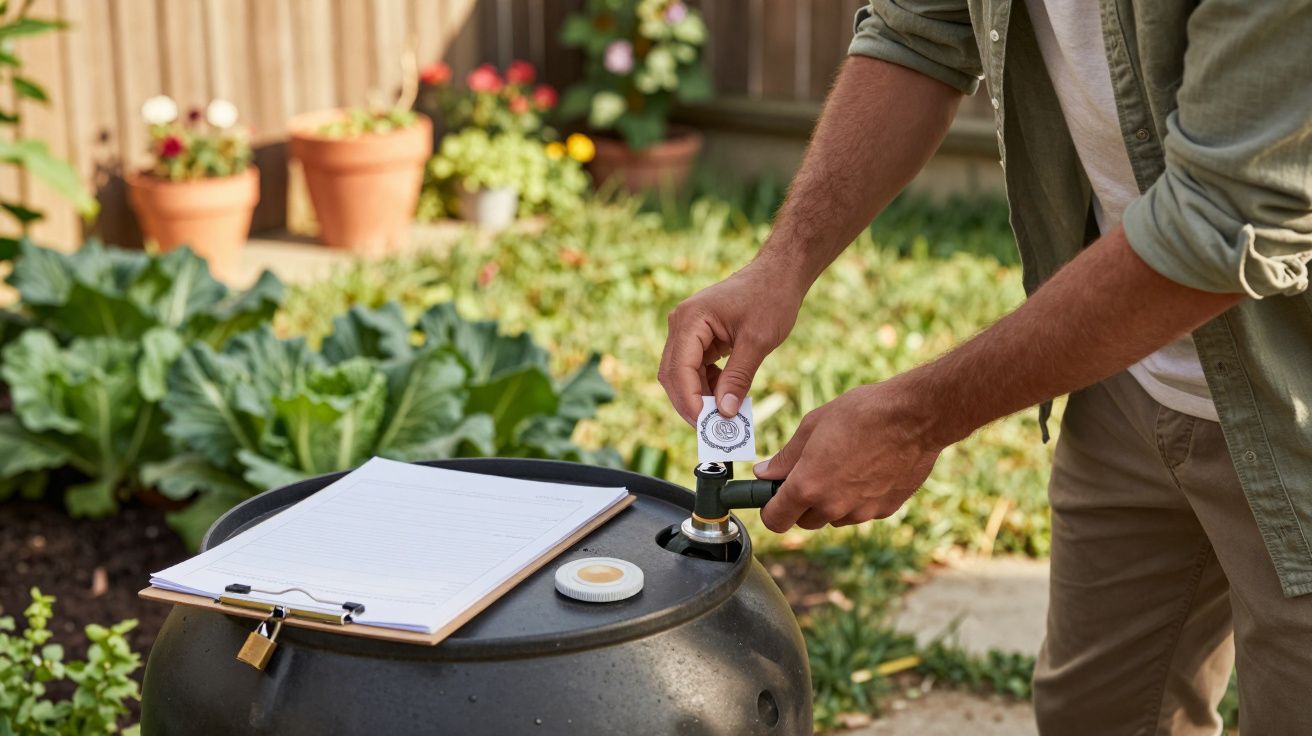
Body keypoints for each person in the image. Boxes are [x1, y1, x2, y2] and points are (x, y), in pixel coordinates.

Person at [658, 2, 1312, 733]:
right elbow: (920, 33)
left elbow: (1227, 219)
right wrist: (781, 265)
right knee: (1096, 715)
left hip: (1297, 412)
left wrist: (915, 418)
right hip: (1131, 380)